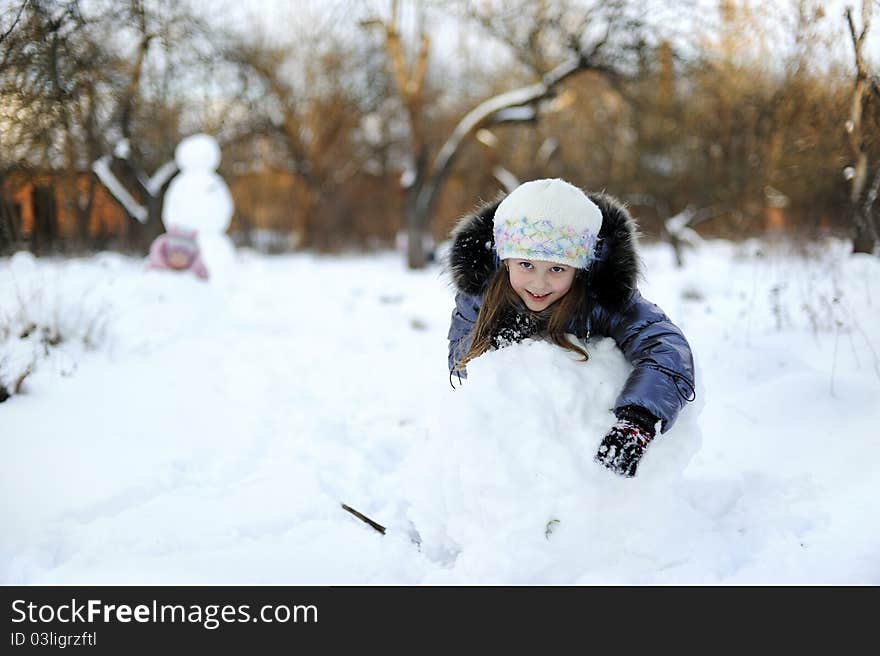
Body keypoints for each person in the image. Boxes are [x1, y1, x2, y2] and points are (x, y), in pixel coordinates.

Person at [446, 178, 696, 478]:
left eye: (557, 269)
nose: (539, 283)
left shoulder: (603, 299)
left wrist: (639, 419)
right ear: (505, 260)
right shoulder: (480, 296)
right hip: (507, 458)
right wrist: (504, 346)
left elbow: (666, 348)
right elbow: (462, 360)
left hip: (580, 458)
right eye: (526, 264)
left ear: (580, 269)